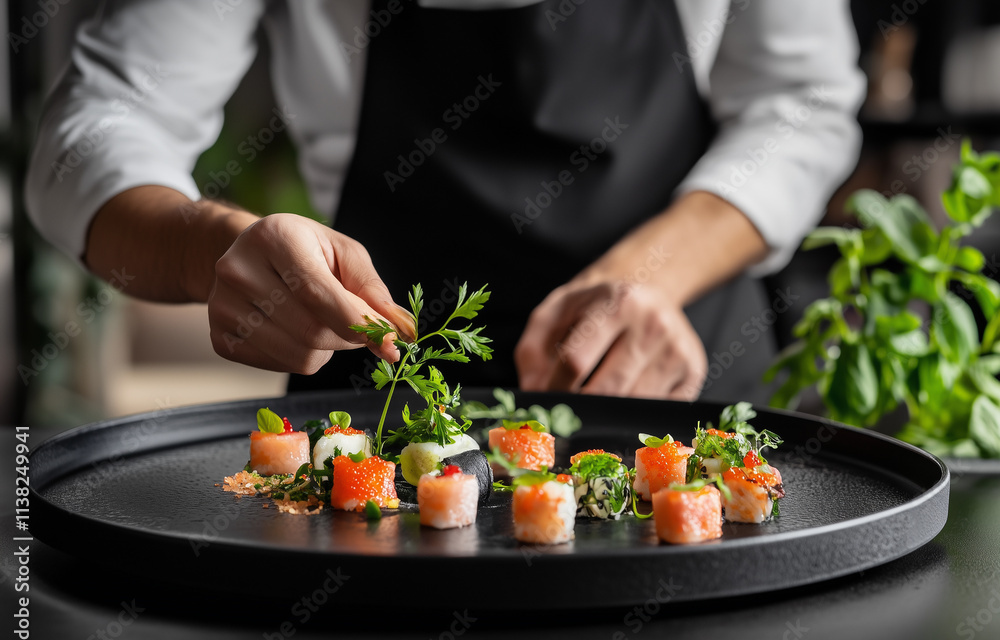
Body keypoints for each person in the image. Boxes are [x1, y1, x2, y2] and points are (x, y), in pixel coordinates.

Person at [25, 0, 865, 404]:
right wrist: (211, 246)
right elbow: (101, 123)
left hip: (684, 391)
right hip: (369, 414)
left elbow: (804, 102)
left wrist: (650, 277)